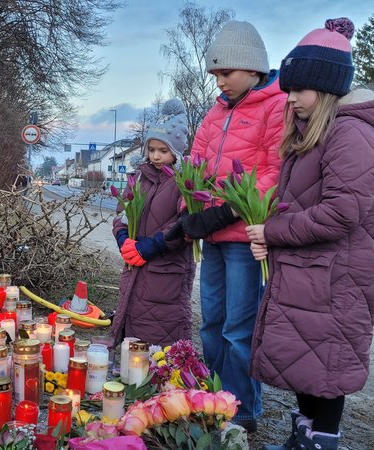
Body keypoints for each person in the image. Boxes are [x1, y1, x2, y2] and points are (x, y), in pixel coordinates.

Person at [247, 18, 374, 450]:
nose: (289, 98)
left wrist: (273, 231)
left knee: (326, 369)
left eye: (298, 90)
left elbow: (340, 213)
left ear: (327, 88)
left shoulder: (352, 133)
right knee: (307, 364)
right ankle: (304, 439)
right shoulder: (319, 131)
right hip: (315, 274)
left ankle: (321, 442)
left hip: (338, 278)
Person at [165, 20, 286, 432]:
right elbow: (193, 167)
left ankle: (241, 409)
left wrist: (230, 210)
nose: (219, 82)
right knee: (211, 323)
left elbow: (274, 171)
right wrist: (189, 210)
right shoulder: (215, 113)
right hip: (211, 236)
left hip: (243, 238)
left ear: (253, 68)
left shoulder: (275, 107)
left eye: (225, 73)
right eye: (215, 74)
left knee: (239, 328)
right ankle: (214, 398)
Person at [111, 99, 195, 347]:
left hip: (167, 268)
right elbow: (121, 212)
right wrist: (123, 238)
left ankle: (163, 373)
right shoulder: (138, 178)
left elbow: (184, 222)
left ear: (176, 152)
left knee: (162, 328)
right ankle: (132, 370)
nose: (156, 156)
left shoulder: (184, 181)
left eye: (163, 151)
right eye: (152, 149)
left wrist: (152, 245)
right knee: (134, 317)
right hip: (134, 264)